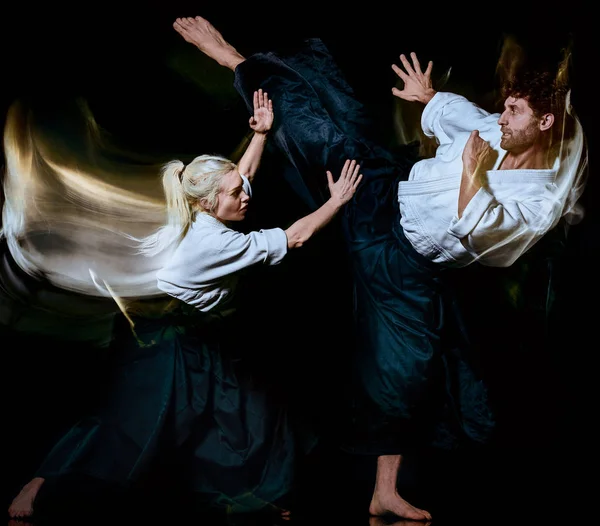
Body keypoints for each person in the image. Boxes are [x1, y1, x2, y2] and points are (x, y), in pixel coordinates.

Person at [168, 15, 586, 522]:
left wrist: (474, 177)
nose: (500, 118)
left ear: (544, 124)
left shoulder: (539, 201)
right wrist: (430, 96)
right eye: (505, 108)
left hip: (404, 261)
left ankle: (382, 492)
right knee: (320, 123)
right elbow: (464, 116)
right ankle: (232, 57)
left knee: (407, 368)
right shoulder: (497, 130)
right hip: (381, 190)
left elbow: (481, 233)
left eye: (514, 112)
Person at [7, 87, 362, 520]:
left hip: (189, 334)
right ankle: (40, 489)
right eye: (235, 195)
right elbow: (296, 236)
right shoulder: (214, 242)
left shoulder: (196, 209)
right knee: (133, 430)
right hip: (162, 341)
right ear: (209, 203)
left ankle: (257, 493)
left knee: (244, 412)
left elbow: (241, 178)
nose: (246, 195)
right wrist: (337, 200)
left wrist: (261, 136)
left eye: (239, 189)